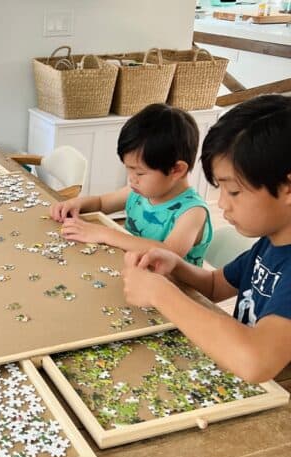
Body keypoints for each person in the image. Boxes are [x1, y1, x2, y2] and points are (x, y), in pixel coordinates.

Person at [122, 94, 291, 383]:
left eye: (234, 191)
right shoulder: (270, 242)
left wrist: (158, 293)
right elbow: (214, 286)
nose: (222, 204)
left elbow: (257, 362)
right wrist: (175, 264)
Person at [50, 103, 212, 266]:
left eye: (140, 173)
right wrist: (76, 204)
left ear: (176, 170)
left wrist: (106, 234)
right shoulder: (138, 192)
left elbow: (167, 252)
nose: (131, 179)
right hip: (131, 271)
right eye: (129, 169)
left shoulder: (193, 212)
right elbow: (101, 203)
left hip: (172, 288)